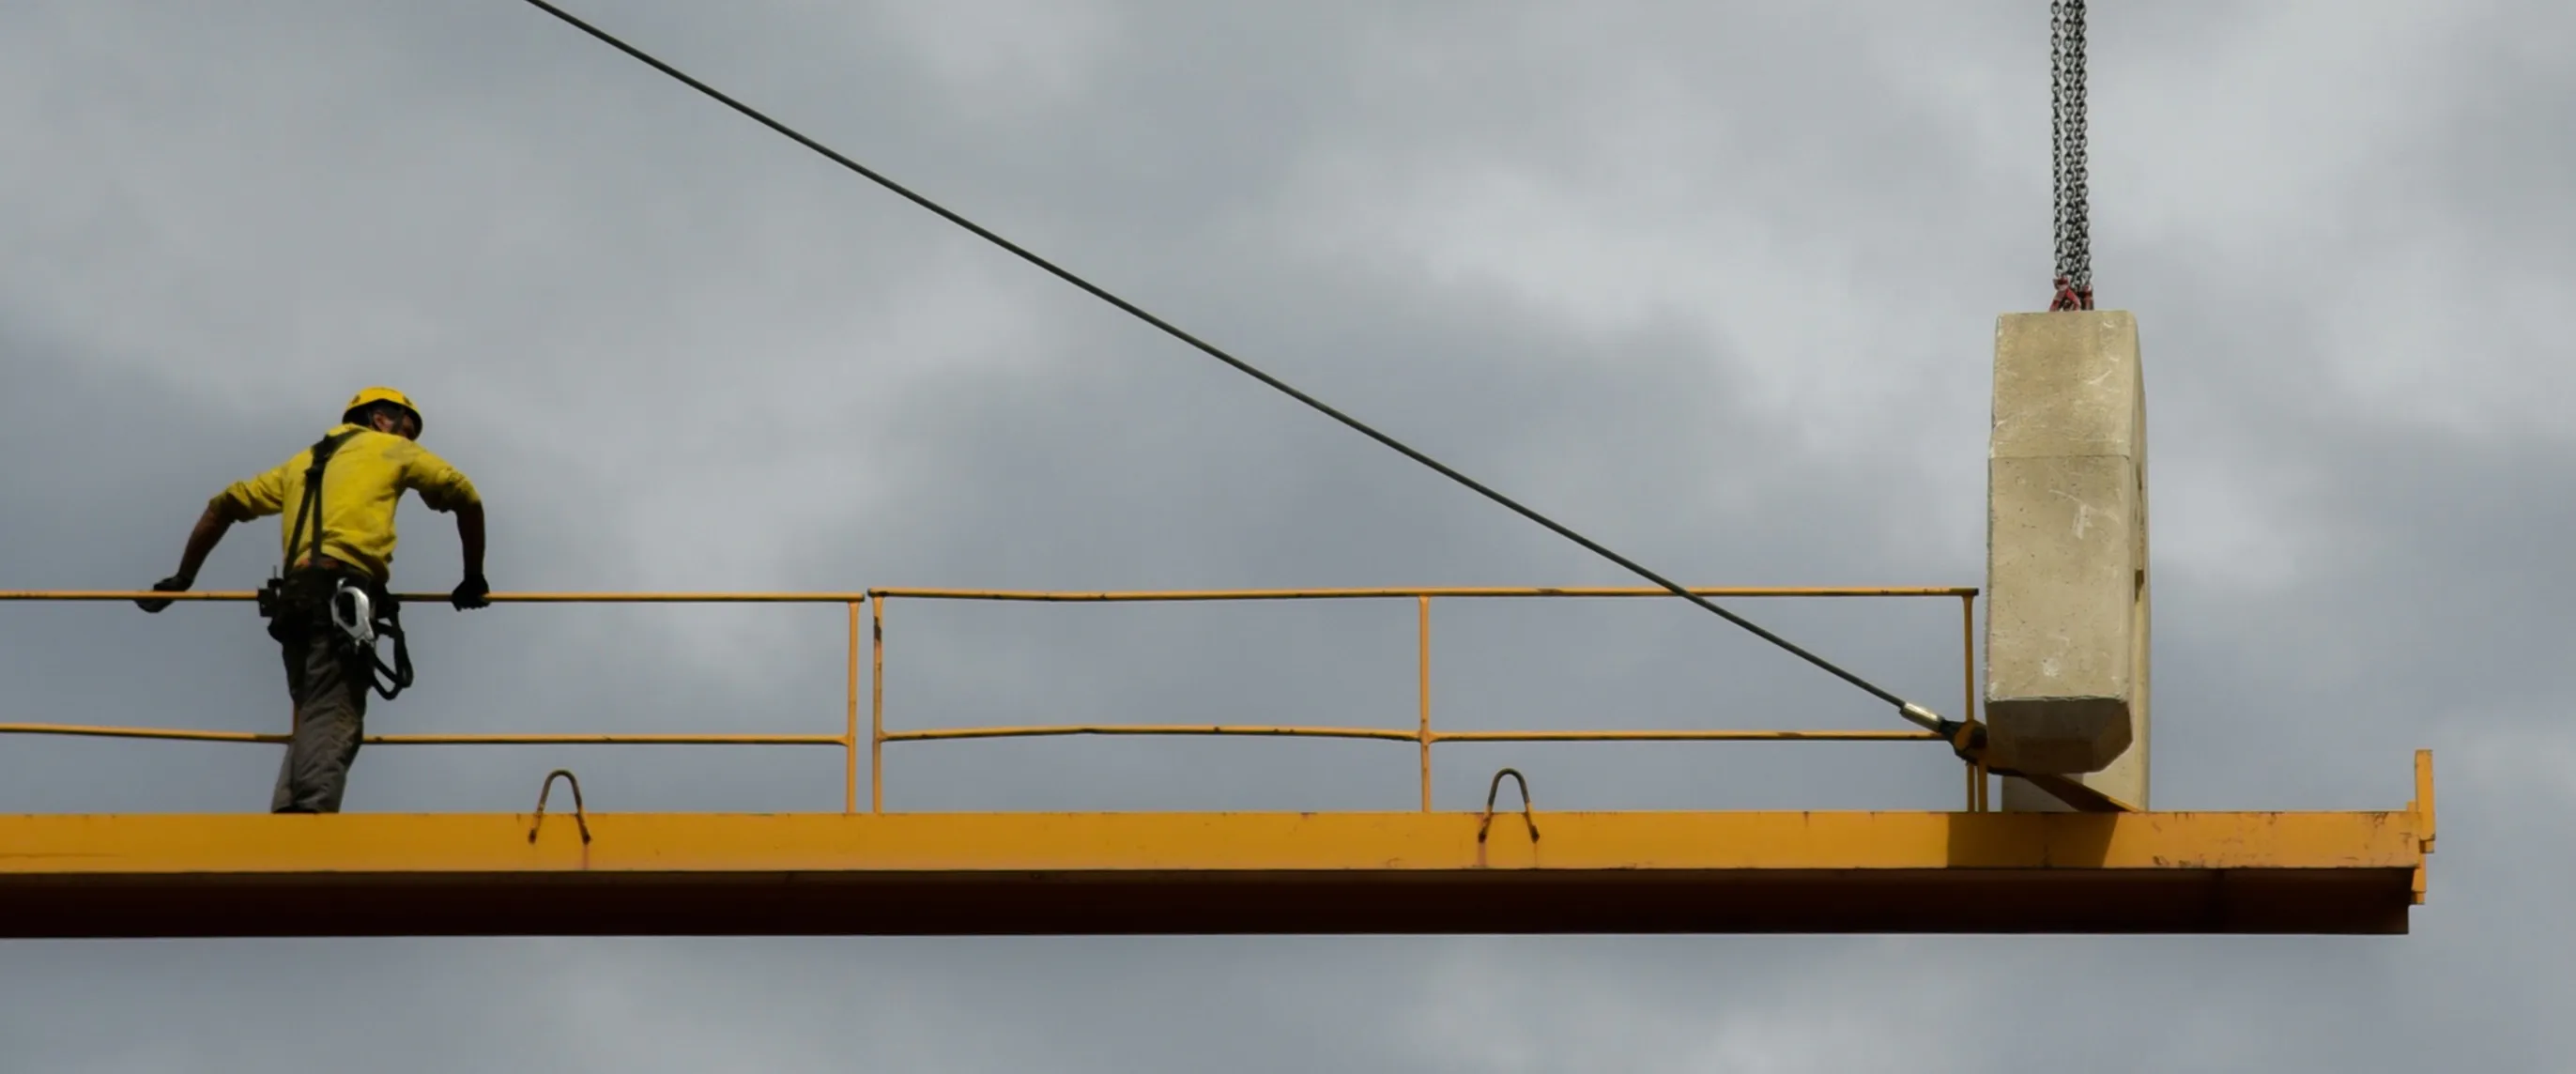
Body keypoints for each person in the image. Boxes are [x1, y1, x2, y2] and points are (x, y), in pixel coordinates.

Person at [138, 387, 491, 813]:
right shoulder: (389, 449)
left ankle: (289, 812)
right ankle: (308, 819)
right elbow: (465, 495)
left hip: (295, 601)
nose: (410, 441)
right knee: (335, 713)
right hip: (343, 599)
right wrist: (473, 578)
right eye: (407, 430)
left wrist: (184, 577)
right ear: (381, 419)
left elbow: (224, 505)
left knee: (312, 712)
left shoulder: (302, 463)